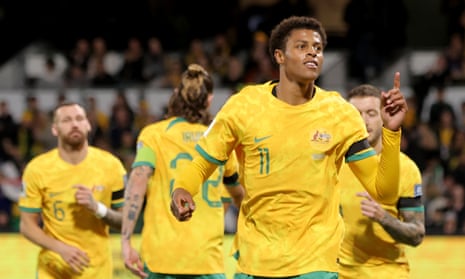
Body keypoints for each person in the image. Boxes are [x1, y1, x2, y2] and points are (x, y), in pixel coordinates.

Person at [170, 16, 408, 279]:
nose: (312, 53)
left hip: (315, 261)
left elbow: (383, 192)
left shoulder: (340, 113)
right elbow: (204, 160)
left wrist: (391, 132)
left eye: (317, 48)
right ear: (279, 56)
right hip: (255, 260)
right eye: (302, 46)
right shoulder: (245, 106)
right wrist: (183, 188)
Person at [121, 63, 244, 278]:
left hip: (160, 258)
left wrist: (125, 240)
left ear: (177, 95)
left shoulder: (154, 135)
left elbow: (138, 181)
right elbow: (239, 196)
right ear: (209, 99)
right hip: (206, 261)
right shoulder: (219, 139)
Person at [18, 102, 127, 278]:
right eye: (66, 120)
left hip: (97, 271)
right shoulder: (37, 169)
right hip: (53, 269)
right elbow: (27, 226)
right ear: (55, 129)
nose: (74, 124)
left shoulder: (111, 166)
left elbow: (126, 221)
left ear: (88, 125)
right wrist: (60, 248)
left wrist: (97, 208)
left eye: (79, 118)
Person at [338, 84, 425, 279]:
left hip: (387, 273)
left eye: (371, 113)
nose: (363, 120)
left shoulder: (405, 168)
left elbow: (417, 234)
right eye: (356, 113)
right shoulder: (334, 164)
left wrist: (383, 217)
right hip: (339, 273)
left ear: (383, 117)